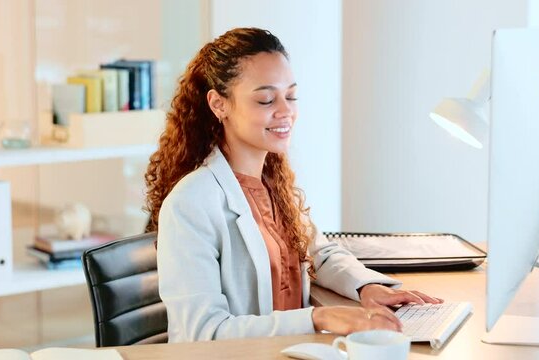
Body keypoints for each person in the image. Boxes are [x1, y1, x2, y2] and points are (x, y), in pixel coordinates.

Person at [145, 27, 442, 343]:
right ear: (219, 105)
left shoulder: (273, 183)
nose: (286, 111)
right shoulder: (191, 203)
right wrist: (319, 317)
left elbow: (320, 253)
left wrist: (367, 288)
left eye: (291, 96)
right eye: (266, 99)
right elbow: (203, 332)